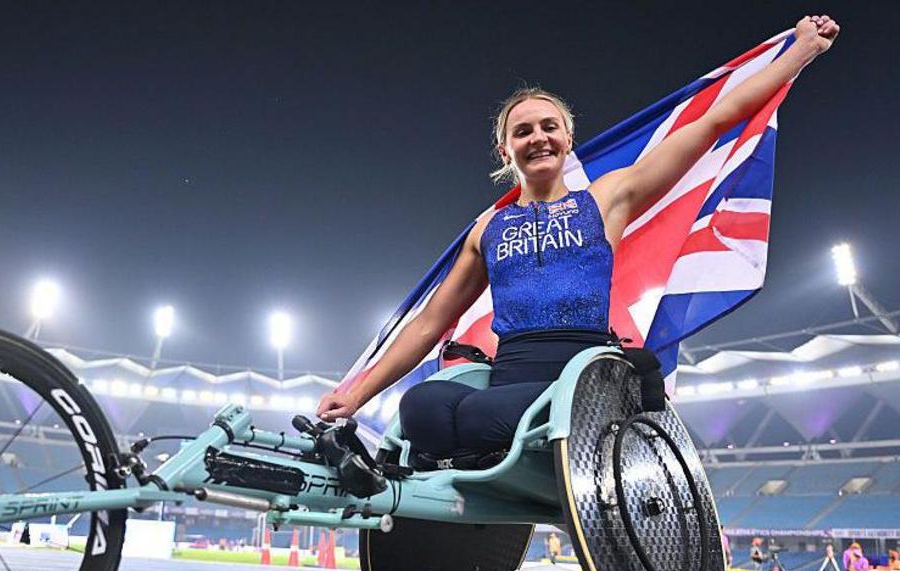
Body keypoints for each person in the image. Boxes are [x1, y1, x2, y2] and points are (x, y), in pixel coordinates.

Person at [316, 16, 840, 461]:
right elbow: (432, 322)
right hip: (510, 377)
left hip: (581, 379)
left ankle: (490, 452)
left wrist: (800, 52)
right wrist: (358, 393)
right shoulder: (487, 229)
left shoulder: (609, 197)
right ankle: (483, 464)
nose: (538, 137)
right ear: (506, 152)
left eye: (549, 127)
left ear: (568, 141)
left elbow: (715, 120)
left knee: (467, 415)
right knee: (420, 407)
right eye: (523, 132)